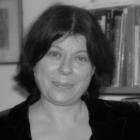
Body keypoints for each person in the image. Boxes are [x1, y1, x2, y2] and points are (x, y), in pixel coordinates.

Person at [0, 4, 140, 140]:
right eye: (55, 54)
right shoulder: (4, 128)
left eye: (80, 58)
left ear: (93, 69)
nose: (65, 69)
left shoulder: (131, 119)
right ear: (33, 61)